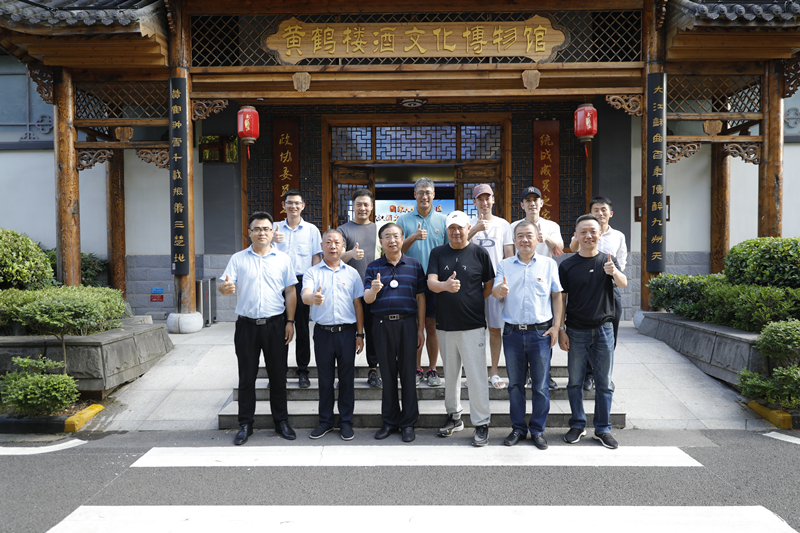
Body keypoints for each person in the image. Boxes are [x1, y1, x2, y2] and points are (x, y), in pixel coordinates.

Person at [218, 211, 298, 445]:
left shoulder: (283, 259)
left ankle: (281, 421)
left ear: (273, 232)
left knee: (278, 377)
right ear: (249, 232)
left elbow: (290, 291)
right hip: (247, 326)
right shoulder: (238, 259)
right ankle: (245, 424)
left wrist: (290, 322)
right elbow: (224, 285)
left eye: (266, 229)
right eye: (257, 229)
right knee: (246, 377)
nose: (262, 233)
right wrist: (224, 289)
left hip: (276, 325)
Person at [558, 214, 627, 450]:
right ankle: (577, 424)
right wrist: (561, 329)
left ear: (600, 234)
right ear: (576, 236)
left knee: (604, 382)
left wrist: (613, 272)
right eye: (583, 232)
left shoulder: (608, 260)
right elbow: (561, 300)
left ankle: (602, 429)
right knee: (575, 381)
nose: (588, 236)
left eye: (593, 232)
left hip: (604, 330)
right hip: (576, 330)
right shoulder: (567, 265)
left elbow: (623, 283)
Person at [492, 221, 562, 450]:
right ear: (514, 239)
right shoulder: (504, 265)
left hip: (540, 333)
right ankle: (518, 428)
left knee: (540, 386)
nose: (524, 240)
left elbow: (557, 296)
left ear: (537, 238)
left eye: (529, 235)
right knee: (515, 385)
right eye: (520, 236)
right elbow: (494, 291)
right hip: (512, 333)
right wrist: (499, 290)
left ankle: (538, 430)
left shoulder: (549, 264)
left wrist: (556, 326)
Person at [428, 211, 495, 447]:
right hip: (445, 325)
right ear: (447, 230)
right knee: (451, 375)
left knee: (476, 376)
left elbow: (488, 286)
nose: (456, 232)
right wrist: (445, 286)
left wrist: (471, 301)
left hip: (473, 324)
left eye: (460, 227)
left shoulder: (480, 253)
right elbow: (431, 283)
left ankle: (481, 422)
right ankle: (454, 416)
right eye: (451, 228)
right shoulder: (438, 252)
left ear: (468, 228)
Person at [364, 223, 426, 443]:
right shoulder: (373, 267)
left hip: (407, 324)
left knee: (408, 374)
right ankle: (389, 421)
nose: (392, 240)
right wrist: (374, 290)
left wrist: (420, 328)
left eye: (396, 236)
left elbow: (421, 297)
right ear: (381, 242)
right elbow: (367, 299)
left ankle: (408, 423)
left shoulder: (414, 265)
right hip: (382, 325)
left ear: (402, 239)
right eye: (387, 236)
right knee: (388, 374)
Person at [302, 229, 364, 441]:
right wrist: (313, 298)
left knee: (347, 379)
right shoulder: (312, 272)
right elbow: (305, 296)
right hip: (323, 333)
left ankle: (346, 422)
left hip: (347, 333)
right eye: (328, 242)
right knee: (325, 379)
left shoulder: (352, 273)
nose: (333, 246)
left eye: (337, 242)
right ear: (322, 246)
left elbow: (358, 304)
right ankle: (326, 421)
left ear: (343, 247)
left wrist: (360, 334)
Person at [505, 185, 565, 390]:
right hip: (520, 282)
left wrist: (543, 236)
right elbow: (509, 254)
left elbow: (559, 249)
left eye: (535, 200)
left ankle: (544, 374)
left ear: (541, 203)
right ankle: (526, 374)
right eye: (528, 200)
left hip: (543, 282)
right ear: (522, 205)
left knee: (544, 329)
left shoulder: (551, 225)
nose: (532, 204)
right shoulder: (515, 226)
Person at [568, 196, 628, 390]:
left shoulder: (618, 236)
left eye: (604, 210)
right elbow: (573, 249)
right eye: (596, 210)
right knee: (585, 332)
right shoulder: (584, 230)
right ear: (590, 212)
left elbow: (621, 263)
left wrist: (614, 272)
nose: (600, 213)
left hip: (609, 287)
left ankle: (603, 373)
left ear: (610, 213)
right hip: (586, 289)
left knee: (609, 334)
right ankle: (588, 374)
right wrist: (581, 236)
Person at [397, 177, 448, 387]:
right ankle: (416, 368)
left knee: (432, 326)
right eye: (420, 192)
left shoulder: (443, 220)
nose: (424, 196)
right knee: (415, 326)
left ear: (434, 195)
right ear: (414, 195)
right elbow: (396, 250)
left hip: (435, 282)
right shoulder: (403, 220)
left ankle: (433, 369)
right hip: (410, 281)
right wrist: (413, 237)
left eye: (428, 192)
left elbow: (449, 251)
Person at [272, 188, 322, 389]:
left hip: (302, 282)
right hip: (277, 282)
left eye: (297, 203)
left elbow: (316, 257)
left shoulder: (311, 230)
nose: (293, 206)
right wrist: (271, 240)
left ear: (303, 206)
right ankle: (279, 373)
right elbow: (260, 248)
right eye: (289, 203)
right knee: (278, 328)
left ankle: (303, 371)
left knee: (301, 329)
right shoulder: (273, 228)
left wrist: (313, 284)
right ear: (283, 205)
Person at [468, 183, 511, 389]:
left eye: (488, 198)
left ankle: (494, 372)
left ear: (493, 200)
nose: (484, 202)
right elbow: (457, 246)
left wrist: (505, 284)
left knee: (494, 329)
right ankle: (474, 373)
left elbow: (508, 256)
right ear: (474, 202)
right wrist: (474, 229)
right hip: (472, 286)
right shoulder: (467, 223)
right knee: (473, 331)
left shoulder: (503, 225)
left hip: (495, 285)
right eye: (480, 199)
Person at [338, 188, 382, 389]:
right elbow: (333, 257)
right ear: (353, 206)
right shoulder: (343, 230)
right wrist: (351, 254)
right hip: (348, 291)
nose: (362, 208)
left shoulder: (379, 229)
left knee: (373, 332)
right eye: (359, 204)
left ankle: (373, 369)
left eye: (366, 204)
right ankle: (345, 372)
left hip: (373, 290)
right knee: (348, 332)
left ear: (372, 207)